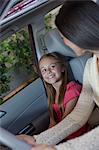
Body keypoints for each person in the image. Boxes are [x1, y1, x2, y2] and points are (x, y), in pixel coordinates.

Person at [17, 0, 99, 149]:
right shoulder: (90, 67)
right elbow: (78, 116)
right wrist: (37, 139)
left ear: (79, 32)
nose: (64, 43)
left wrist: (61, 148)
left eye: (63, 38)